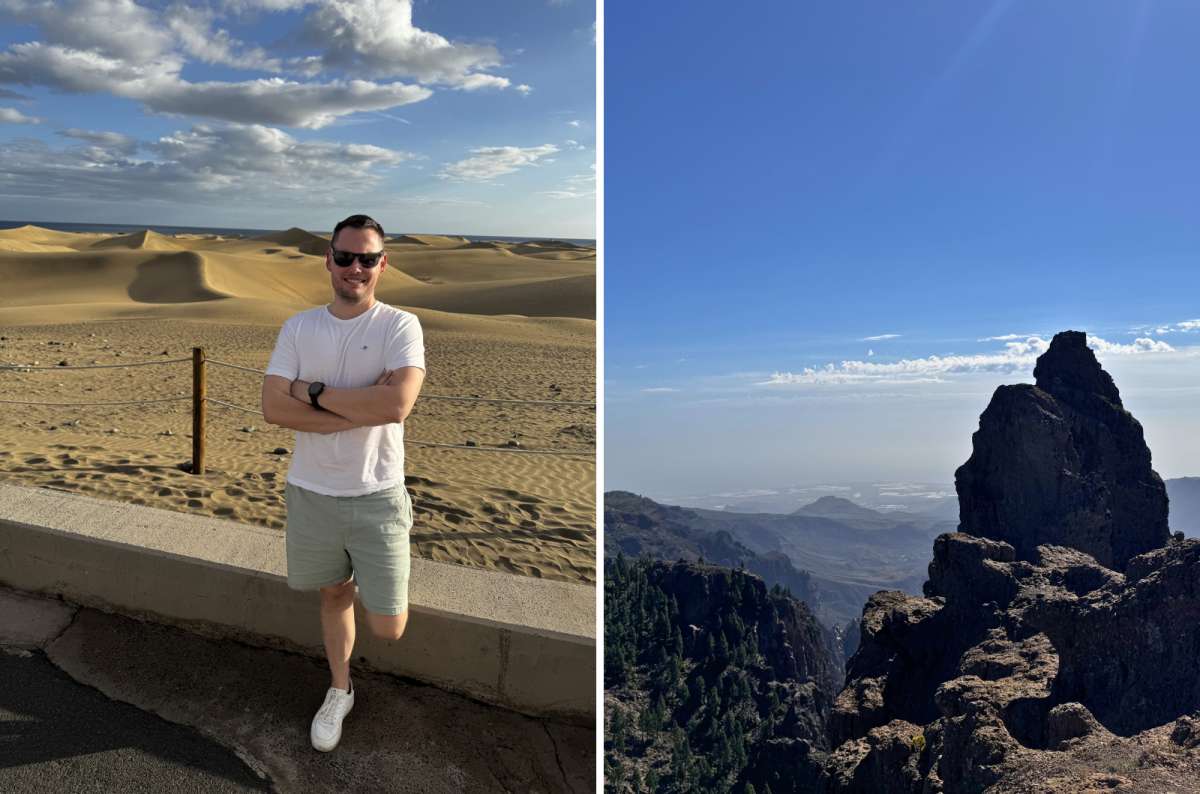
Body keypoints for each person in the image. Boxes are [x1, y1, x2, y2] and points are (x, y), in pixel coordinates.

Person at [261, 213, 425, 752]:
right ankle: (340, 688)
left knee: (389, 628)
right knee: (333, 594)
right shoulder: (299, 327)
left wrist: (309, 392)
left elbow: (397, 405)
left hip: (377, 495)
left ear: (383, 264)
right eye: (346, 256)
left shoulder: (400, 326)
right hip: (312, 492)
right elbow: (272, 408)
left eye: (368, 258)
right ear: (328, 259)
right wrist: (359, 407)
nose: (356, 267)